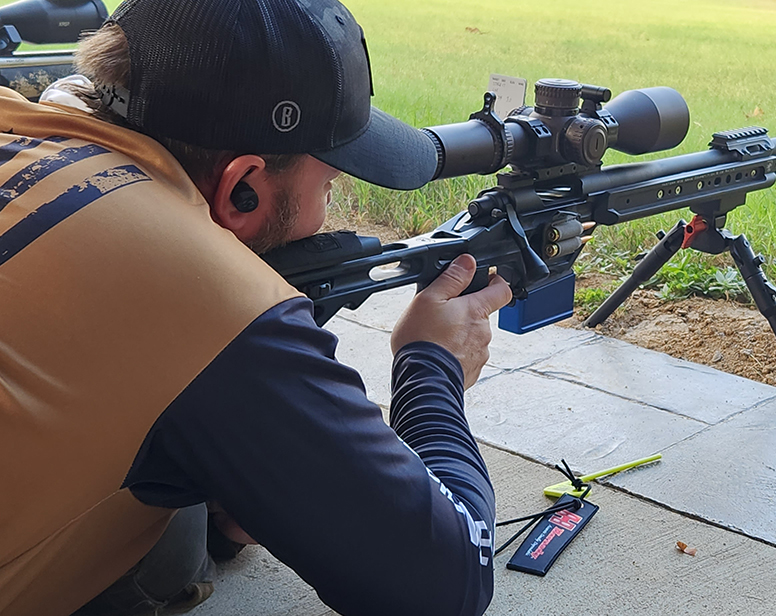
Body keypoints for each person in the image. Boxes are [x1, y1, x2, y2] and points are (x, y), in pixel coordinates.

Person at [0, 1, 512, 615]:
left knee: (177, 539)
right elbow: (444, 584)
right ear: (242, 188)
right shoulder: (200, 293)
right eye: (329, 185)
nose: (331, 204)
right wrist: (432, 368)